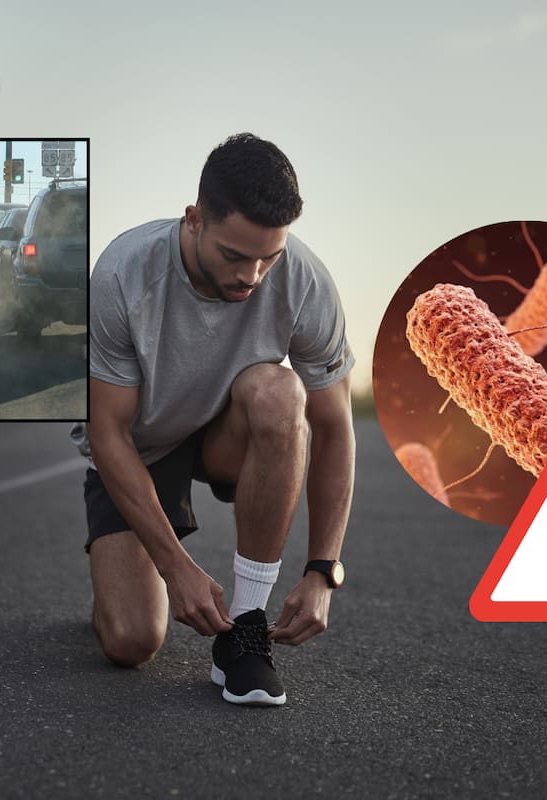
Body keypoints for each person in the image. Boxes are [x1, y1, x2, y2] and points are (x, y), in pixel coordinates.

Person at [71, 133, 355, 706]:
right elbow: (108, 433)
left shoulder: (304, 280)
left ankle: (246, 633)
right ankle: (116, 588)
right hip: (142, 446)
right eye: (234, 255)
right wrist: (176, 568)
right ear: (195, 219)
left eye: (266, 258)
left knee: (280, 390)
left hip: (227, 432)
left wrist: (323, 569)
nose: (251, 276)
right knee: (130, 641)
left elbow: (333, 427)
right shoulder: (124, 275)